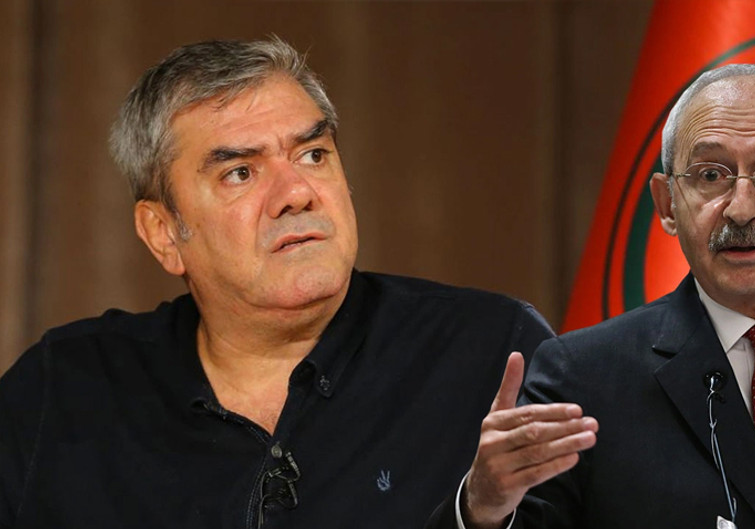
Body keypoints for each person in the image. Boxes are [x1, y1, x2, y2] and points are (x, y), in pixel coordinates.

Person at [0, 38, 553, 529]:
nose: (297, 193)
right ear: (164, 233)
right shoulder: (61, 391)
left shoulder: (490, 353)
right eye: (240, 172)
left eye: (313, 155)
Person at [428, 63, 755, 528]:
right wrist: (482, 509)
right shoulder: (582, 378)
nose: (741, 208)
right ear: (668, 204)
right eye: (710, 175)